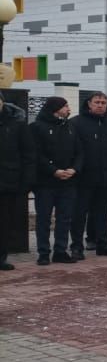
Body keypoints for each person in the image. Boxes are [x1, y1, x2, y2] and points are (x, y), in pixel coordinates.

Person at [70, 92, 107, 259]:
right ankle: (77, 247)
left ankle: (103, 245)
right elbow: (71, 150)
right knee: (79, 214)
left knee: (103, 213)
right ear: (89, 104)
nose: (101, 105)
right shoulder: (76, 123)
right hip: (83, 178)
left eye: (104, 102)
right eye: (97, 102)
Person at [29, 96, 82, 265]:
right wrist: (54, 171)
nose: (69, 109)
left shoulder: (71, 127)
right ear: (55, 108)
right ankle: (43, 252)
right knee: (44, 218)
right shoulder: (37, 127)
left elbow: (80, 152)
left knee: (65, 218)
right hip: (45, 182)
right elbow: (36, 154)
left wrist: (74, 169)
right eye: (65, 106)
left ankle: (60, 250)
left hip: (68, 181)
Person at [0, 91, 36, 271]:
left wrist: (25, 182)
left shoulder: (17, 125)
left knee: (4, 222)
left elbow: (28, 155)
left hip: (8, 182)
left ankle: (1, 257)